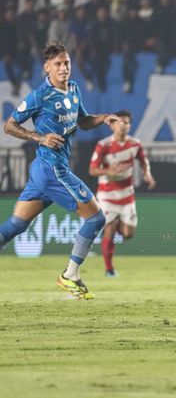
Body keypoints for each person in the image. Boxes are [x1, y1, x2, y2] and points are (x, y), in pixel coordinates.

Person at [0, 42, 122, 300]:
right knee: (96, 219)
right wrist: (39, 138)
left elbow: (84, 122)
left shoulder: (74, 90)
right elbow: (9, 125)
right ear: (47, 67)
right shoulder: (39, 96)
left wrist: (103, 118)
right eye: (58, 64)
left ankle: (70, 276)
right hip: (50, 168)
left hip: (47, 171)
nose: (64, 68)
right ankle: (70, 275)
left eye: (66, 63)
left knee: (16, 225)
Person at [89, 110, 156, 277]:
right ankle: (109, 270)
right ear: (111, 125)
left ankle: (113, 225)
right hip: (107, 195)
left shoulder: (134, 144)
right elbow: (92, 170)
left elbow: (143, 161)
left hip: (126, 194)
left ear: (130, 126)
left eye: (126, 123)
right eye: (119, 122)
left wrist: (147, 174)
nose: (123, 125)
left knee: (128, 234)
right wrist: (109, 171)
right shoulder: (103, 145)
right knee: (110, 231)